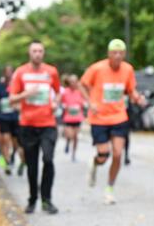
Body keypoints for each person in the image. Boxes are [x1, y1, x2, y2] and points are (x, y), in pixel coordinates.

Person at [80, 39, 145, 204]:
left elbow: (131, 90)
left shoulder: (128, 69)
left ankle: (109, 188)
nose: (117, 56)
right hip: (99, 118)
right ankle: (95, 163)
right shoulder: (97, 68)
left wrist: (138, 98)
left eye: (120, 53)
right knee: (104, 155)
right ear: (108, 54)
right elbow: (82, 85)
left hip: (119, 116)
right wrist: (90, 102)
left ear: (124, 54)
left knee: (117, 153)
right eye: (114, 53)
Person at [9, 41, 61, 214]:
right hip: (28, 125)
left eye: (40, 51)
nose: (37, 54)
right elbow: (12, 99)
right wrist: (27, 94)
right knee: (32, 165)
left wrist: (55, 103)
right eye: (34, 51)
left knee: (48, 159)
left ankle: (47, 200)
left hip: (48, 124)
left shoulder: (51, 71)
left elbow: (58, 93)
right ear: (29, 53)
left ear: (43, 53)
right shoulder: (21, 73)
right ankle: (32, 199)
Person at [0, 65, 23, 176]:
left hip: (15, 117)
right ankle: (7, 163)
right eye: (7, 72)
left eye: (10, 71)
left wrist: (19, 107)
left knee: (16, 143)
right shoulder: (0, 86)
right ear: (4, 73)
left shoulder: (18, 85)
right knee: (5, 140)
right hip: (3, 117)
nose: (9, 74)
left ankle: (14, 156)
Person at [60, 75, 86, 162]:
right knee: (70, 135)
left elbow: (84, 101)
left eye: (75, 81)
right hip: (68, 117)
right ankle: (67, 141)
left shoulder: (80, 92)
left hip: (78, 117)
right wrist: (65, 106)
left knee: (75, 137)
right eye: (72, 81)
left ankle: (74, 154)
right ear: (69, 82)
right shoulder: (65, 92)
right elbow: (61, 102)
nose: (73, 83)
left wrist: (81, 105)